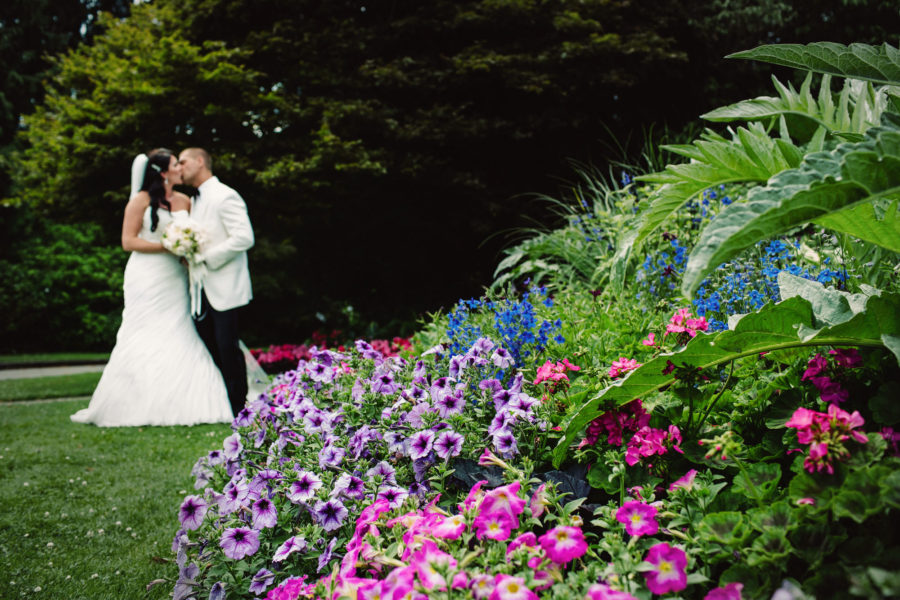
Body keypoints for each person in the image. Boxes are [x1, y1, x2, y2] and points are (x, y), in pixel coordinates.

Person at [71, 149, 233, 426]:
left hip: (175, 276)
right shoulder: (140, 201)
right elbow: (128, 241)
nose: (180, 169)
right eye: (175, 165)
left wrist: (188, 251)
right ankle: (133, 401)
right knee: (144, 329)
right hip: (146, 275)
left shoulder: (185, 200)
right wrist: (167, 246)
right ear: (162, 172)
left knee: (177, 327)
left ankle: (185, 400)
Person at [178, 147, 254, 417]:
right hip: (201, 289)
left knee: (228, 349)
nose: (179, 167)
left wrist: (205, 258)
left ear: (200, 162)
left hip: (226, 287)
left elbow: (244, 237)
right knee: (212, 348)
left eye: (183, 162)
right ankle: (222, 404)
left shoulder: (225, 195)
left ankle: (240, 408)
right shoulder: (195, 200)